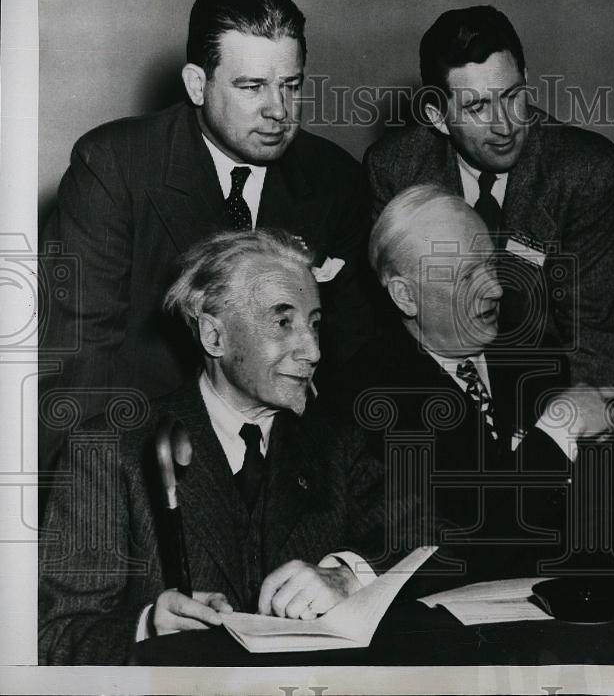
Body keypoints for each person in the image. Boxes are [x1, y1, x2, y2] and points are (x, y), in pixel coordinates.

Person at [39, 0, 372, 472]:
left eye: (292, 85)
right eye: (252, 86)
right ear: (198, 84)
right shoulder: (114, 165)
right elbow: (79, 363)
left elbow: (353, 355)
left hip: (286, 460)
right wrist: (98, 496)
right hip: (150, 451)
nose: (279, 111)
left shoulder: (335, 177)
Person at [38, 230, 389, 665]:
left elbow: (429, 542)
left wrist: (348, 576)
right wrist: (147, 628)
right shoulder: (106, 451)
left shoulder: (338, 442)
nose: (313, 350)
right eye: (283, 323)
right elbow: (55, 637)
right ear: (214, 337)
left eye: (315, 324)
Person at [351, 185, 614, 580]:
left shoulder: (535, 354)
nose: (495, 289)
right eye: (466, 277)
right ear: (405, 296)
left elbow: (592, 512)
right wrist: (557, 430)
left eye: (492, 266)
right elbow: (463, 539)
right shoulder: (368, 395)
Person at [364, 5, 614, 388]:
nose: (505, 125)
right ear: (437, 116)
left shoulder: (585, 171)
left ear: (525, 78)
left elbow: (599, 341)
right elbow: (399, 331)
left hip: (555, 394)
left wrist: (544, 438)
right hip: (444, 394)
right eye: (477, 107)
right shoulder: (396, 169)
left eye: (512, 96)